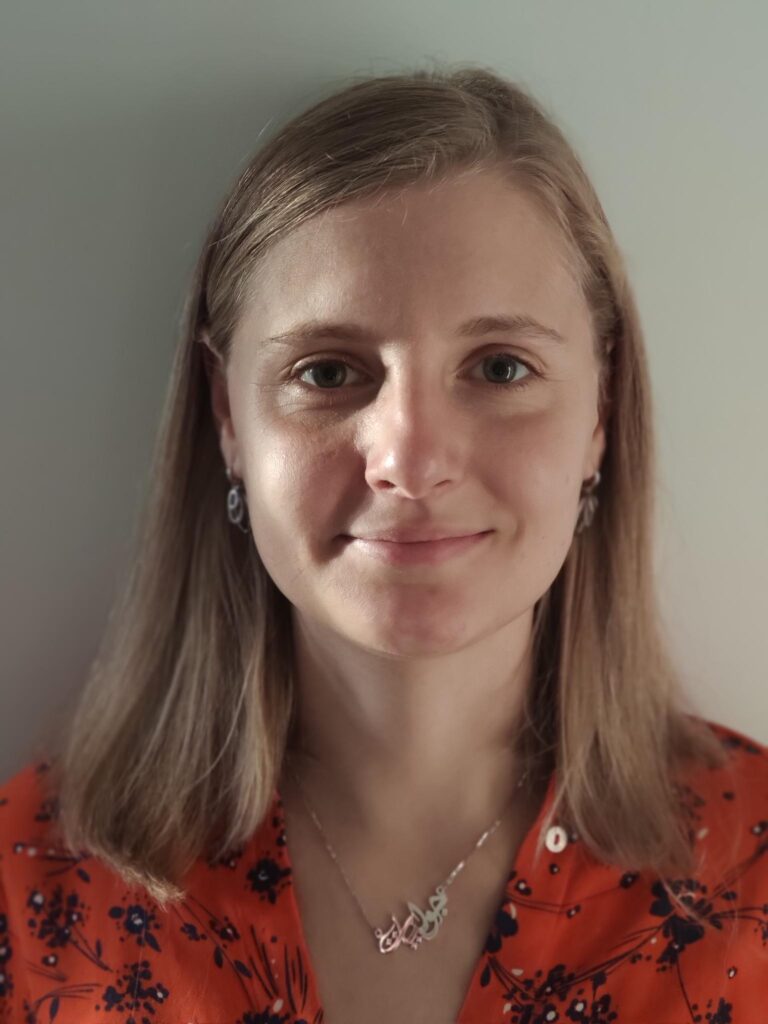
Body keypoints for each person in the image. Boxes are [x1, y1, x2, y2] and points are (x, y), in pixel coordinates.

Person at [1, 65, 766, 1024]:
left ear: (601, 412)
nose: (410, 460)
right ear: (227, 417)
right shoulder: (31, 901)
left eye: (500, 367)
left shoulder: (754, 875)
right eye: (328, 372)